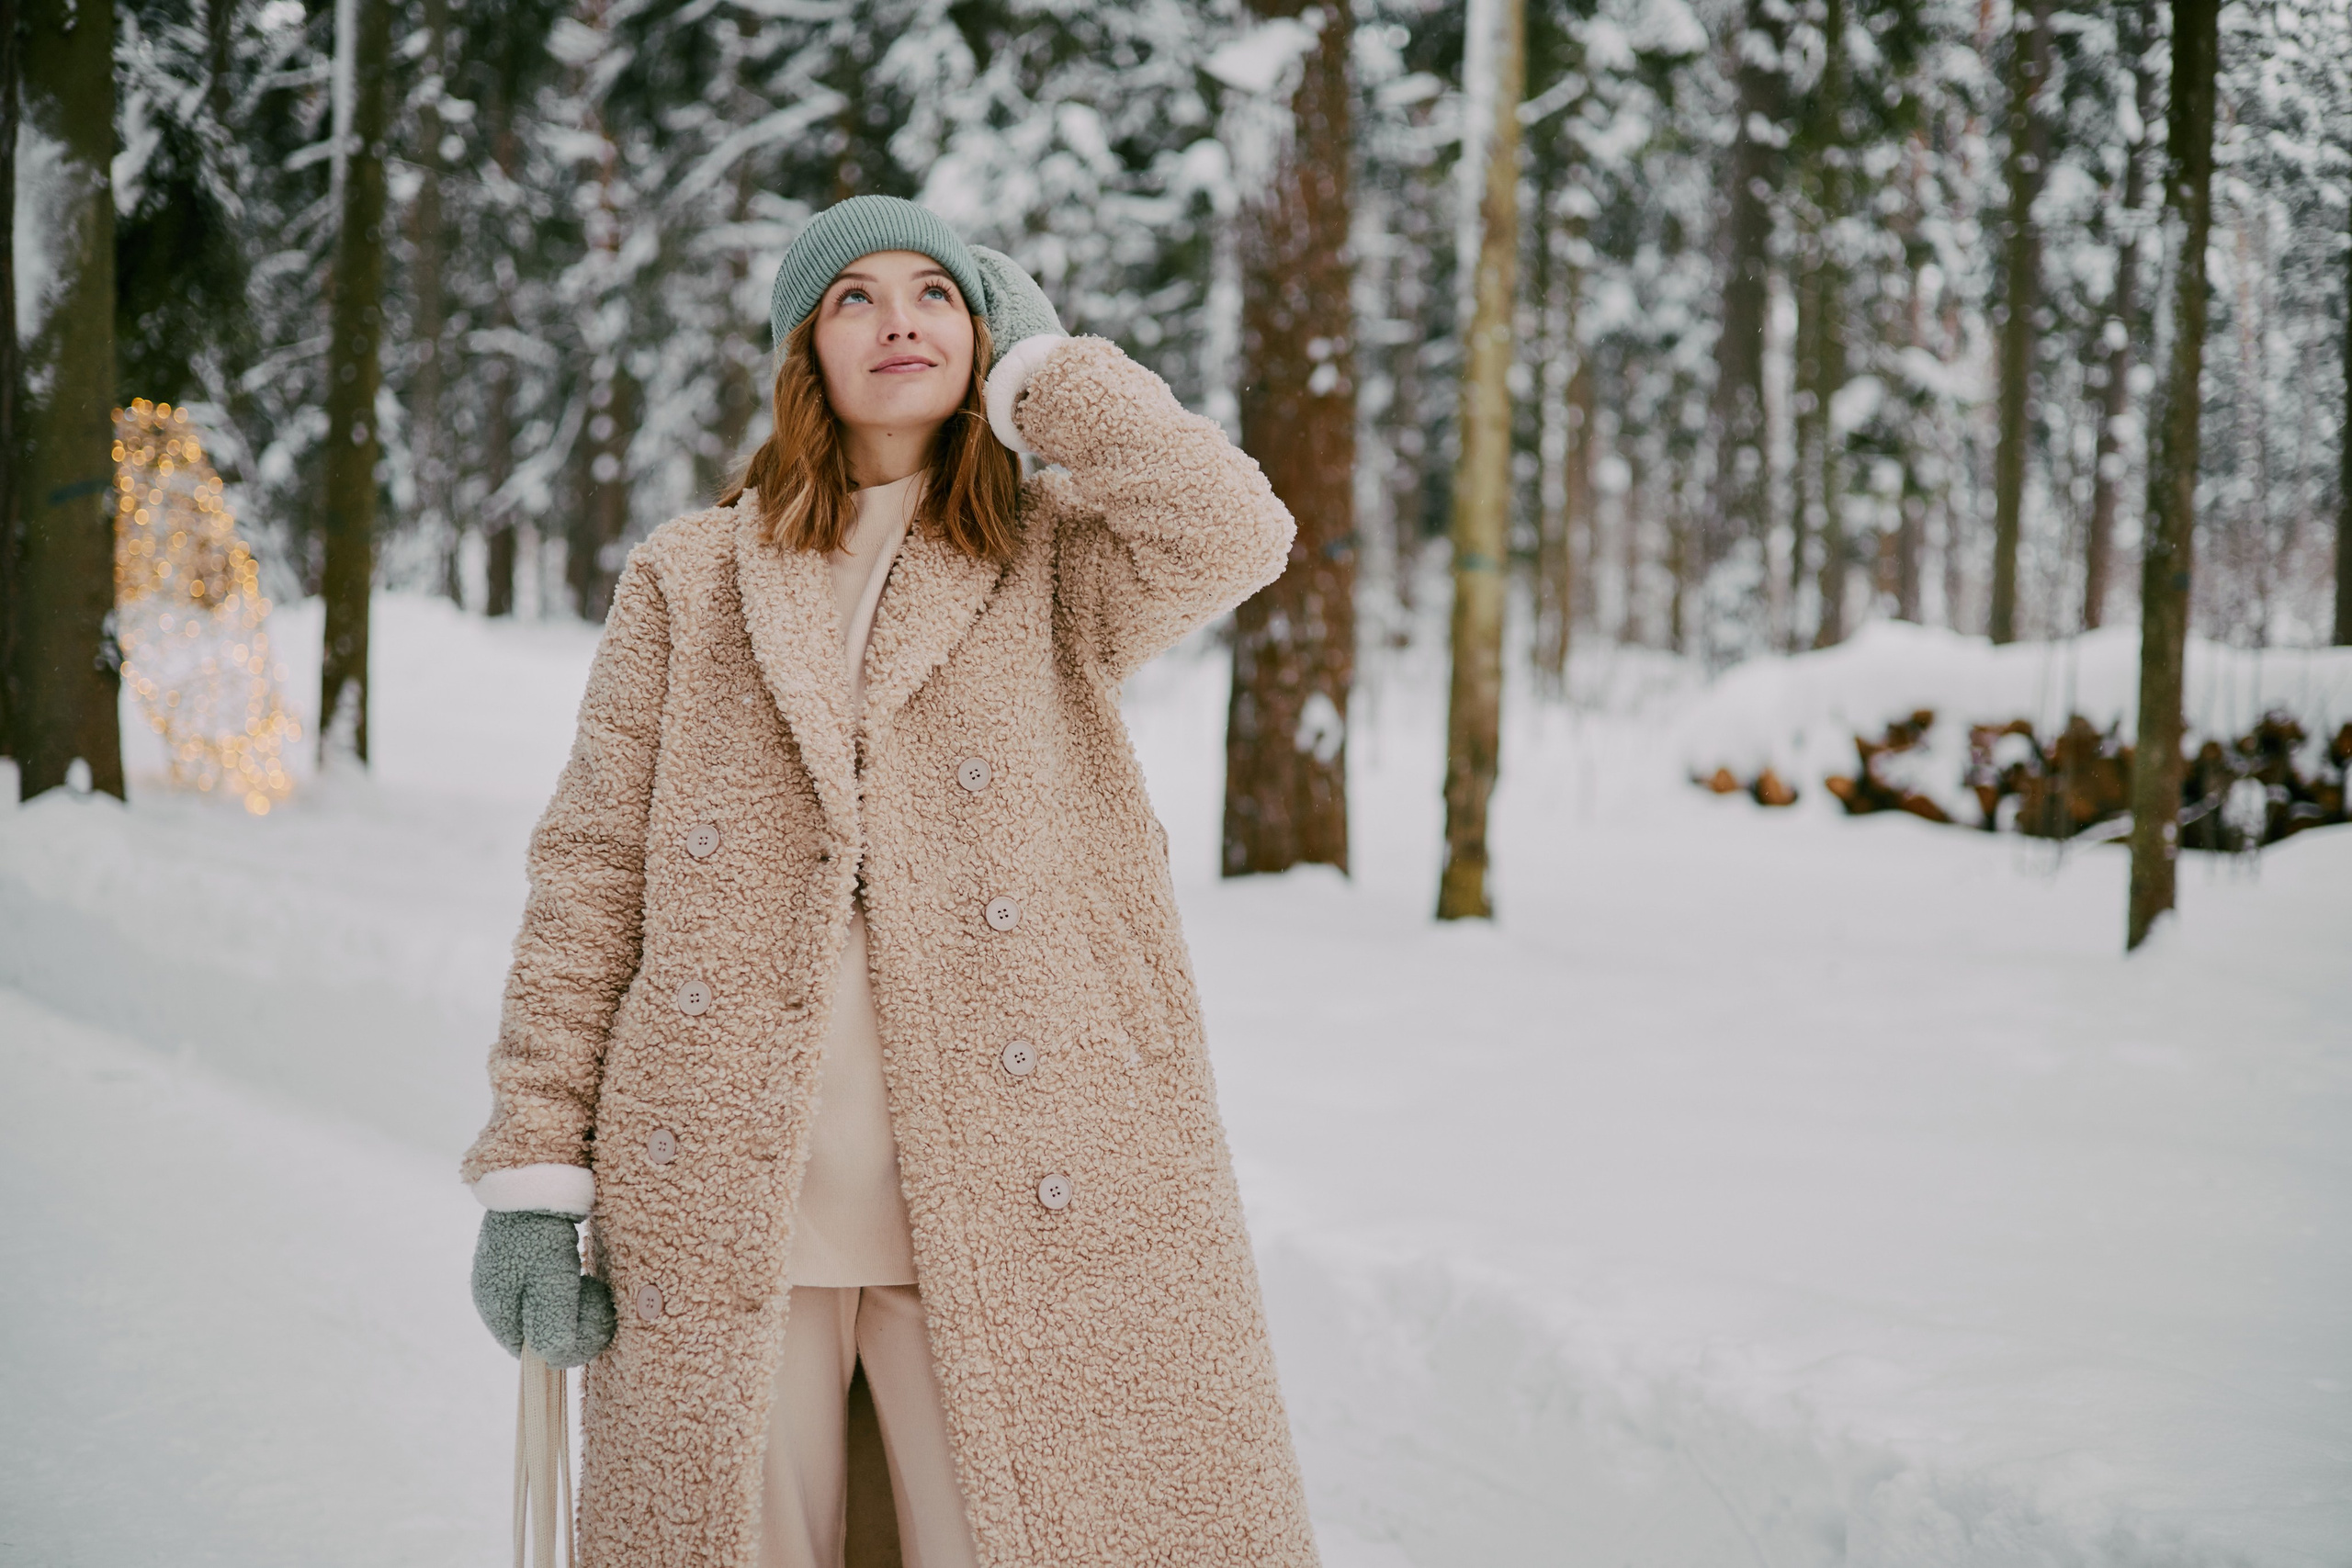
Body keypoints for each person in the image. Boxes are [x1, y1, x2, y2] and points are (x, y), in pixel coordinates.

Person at [463, 196, 1321, 1568]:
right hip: (725, 1190)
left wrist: (1051, 381)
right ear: (807, 346)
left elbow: (1234, 530)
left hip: (1004, 1182)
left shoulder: (1051, 557)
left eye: (937, 291)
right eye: (854, 295)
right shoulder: (691, 576)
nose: (900, 319)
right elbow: (591, 877)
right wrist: (531, 1176)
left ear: (981, 335)